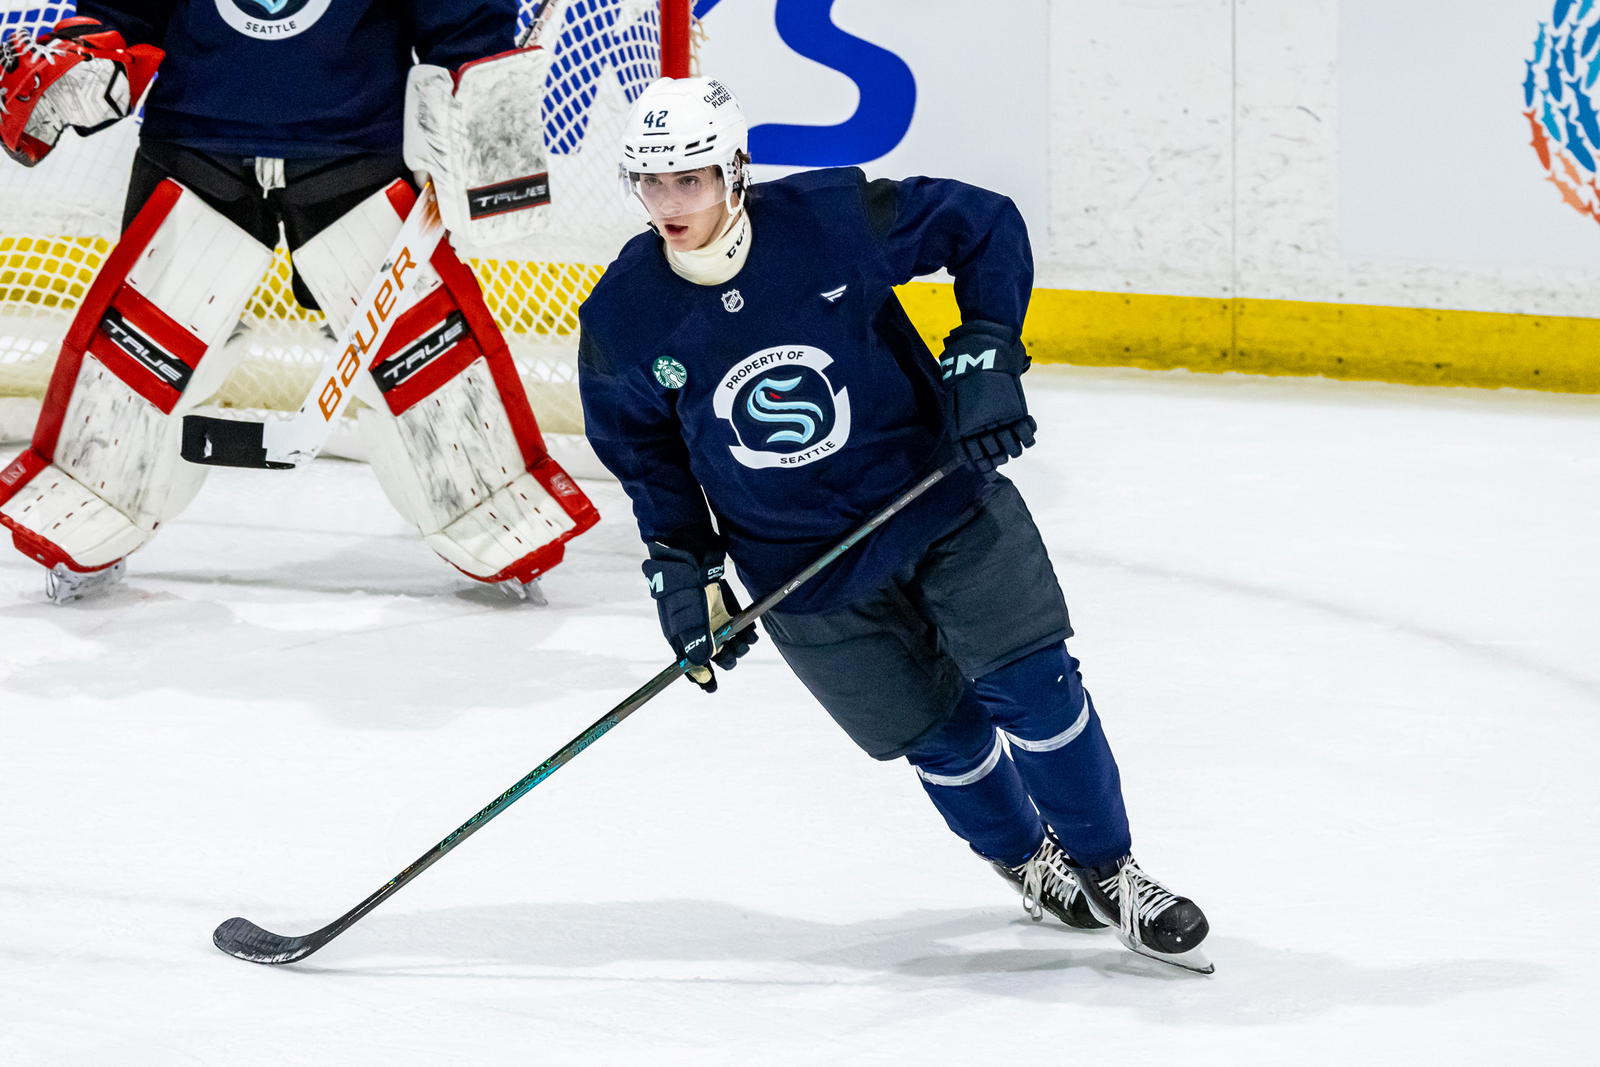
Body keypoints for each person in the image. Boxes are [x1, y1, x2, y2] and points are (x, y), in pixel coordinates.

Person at [577, 77, 1213, 973]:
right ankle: (1025, 859)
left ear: (735, 172)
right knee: (941, 737)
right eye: (651, 182)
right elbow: (649, 459)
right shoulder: (622, 317)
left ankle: (1113, 870)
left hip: (938, 502)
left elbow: (984, 224)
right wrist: (685, 570)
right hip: (802, 569)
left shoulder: (830, 221)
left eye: (691, 179)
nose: (670, 203)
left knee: (1035, 687)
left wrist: (987, 352)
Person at [0, 1, 596, 604]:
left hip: (357, 152)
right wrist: (94, 53)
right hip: (192, 145)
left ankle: (491, 514)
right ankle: (93, 517)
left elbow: (461, 18)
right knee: (136, 359)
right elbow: (121, 15)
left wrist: (480, 95)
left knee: (423, 360)